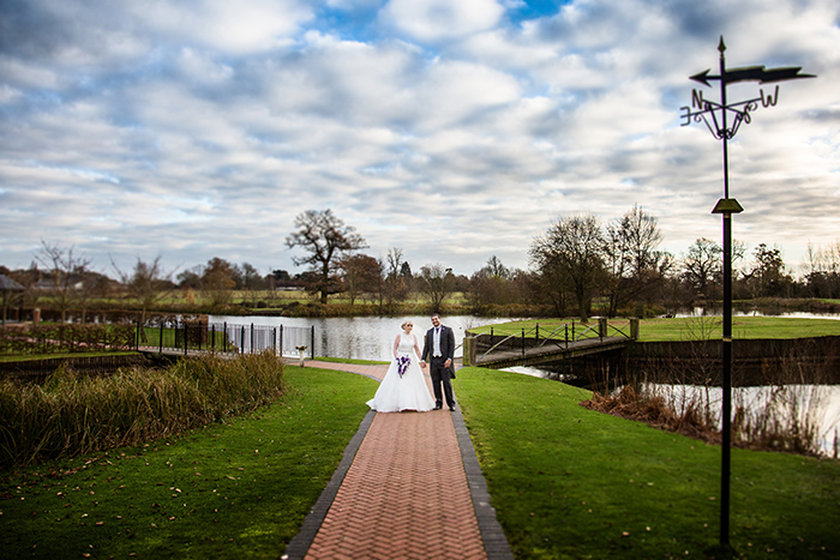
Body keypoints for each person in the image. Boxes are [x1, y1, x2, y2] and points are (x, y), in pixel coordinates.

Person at [366, 320, 436, 412]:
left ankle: (411, 403)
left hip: (411, 360)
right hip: (400, 359)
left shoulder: (414, 337)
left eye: (411, 326)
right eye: (408, 325)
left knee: (412, 381)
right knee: (399, 380)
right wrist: (398, 358)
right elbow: (394, 348)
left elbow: (417, 350)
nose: (410, 327)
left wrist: (422, 359)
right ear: (404, 326)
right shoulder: (399, 336)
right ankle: (396, 403)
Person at [419, 313, 456, 411]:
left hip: (444, 361)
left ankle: (451, 404)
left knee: (446, 383)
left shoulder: (448, 330)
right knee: (435, 383)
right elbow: (426, 347)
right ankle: (438, 402)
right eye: (433, 320)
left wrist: (449, 359)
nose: (434, 321)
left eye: (436, 319)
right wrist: (423, 359)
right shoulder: (429, 332)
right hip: (434, 361)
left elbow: (452, 346)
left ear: (440, 319)